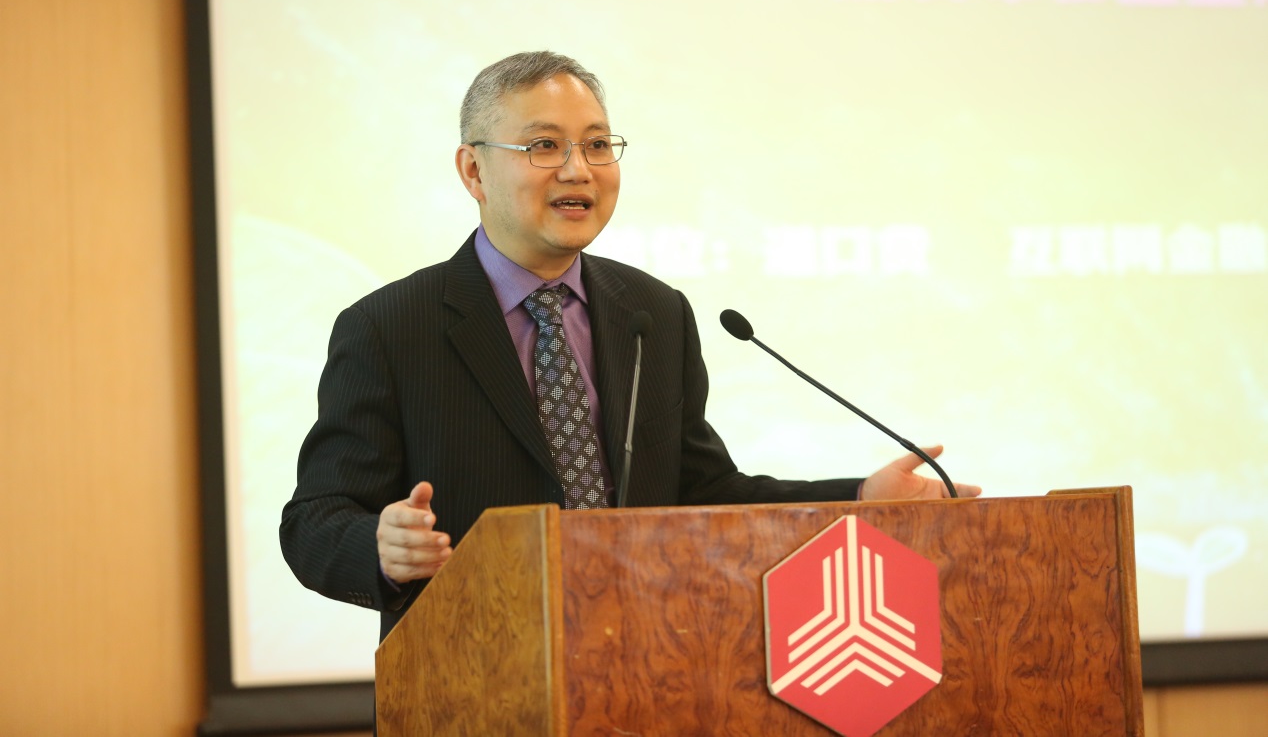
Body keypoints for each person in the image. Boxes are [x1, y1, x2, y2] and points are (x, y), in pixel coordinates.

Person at [280, 51, 981, 641]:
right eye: (544, 146)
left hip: (643, 666)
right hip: (477, 674)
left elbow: (701, 494)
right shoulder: (391, 327)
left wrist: (860, 498)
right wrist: (382, 548)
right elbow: (314, 521)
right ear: (473, 171)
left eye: (597, 145)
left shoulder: (652, 313)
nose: (578, 170)